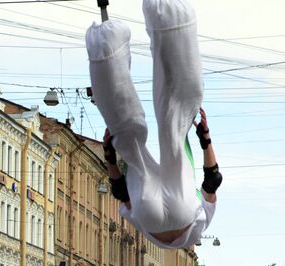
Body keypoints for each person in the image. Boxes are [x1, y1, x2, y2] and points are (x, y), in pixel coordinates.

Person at [87, 0, 222, 250]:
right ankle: (103, 44)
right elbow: (121, 194)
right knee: (128, 140)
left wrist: (205, 139)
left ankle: (170, 16)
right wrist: (109, 155)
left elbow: (212, 180)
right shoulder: (152, 230)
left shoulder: (200, 227)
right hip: (148, 215)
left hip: (184, 211)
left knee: (175, 125)